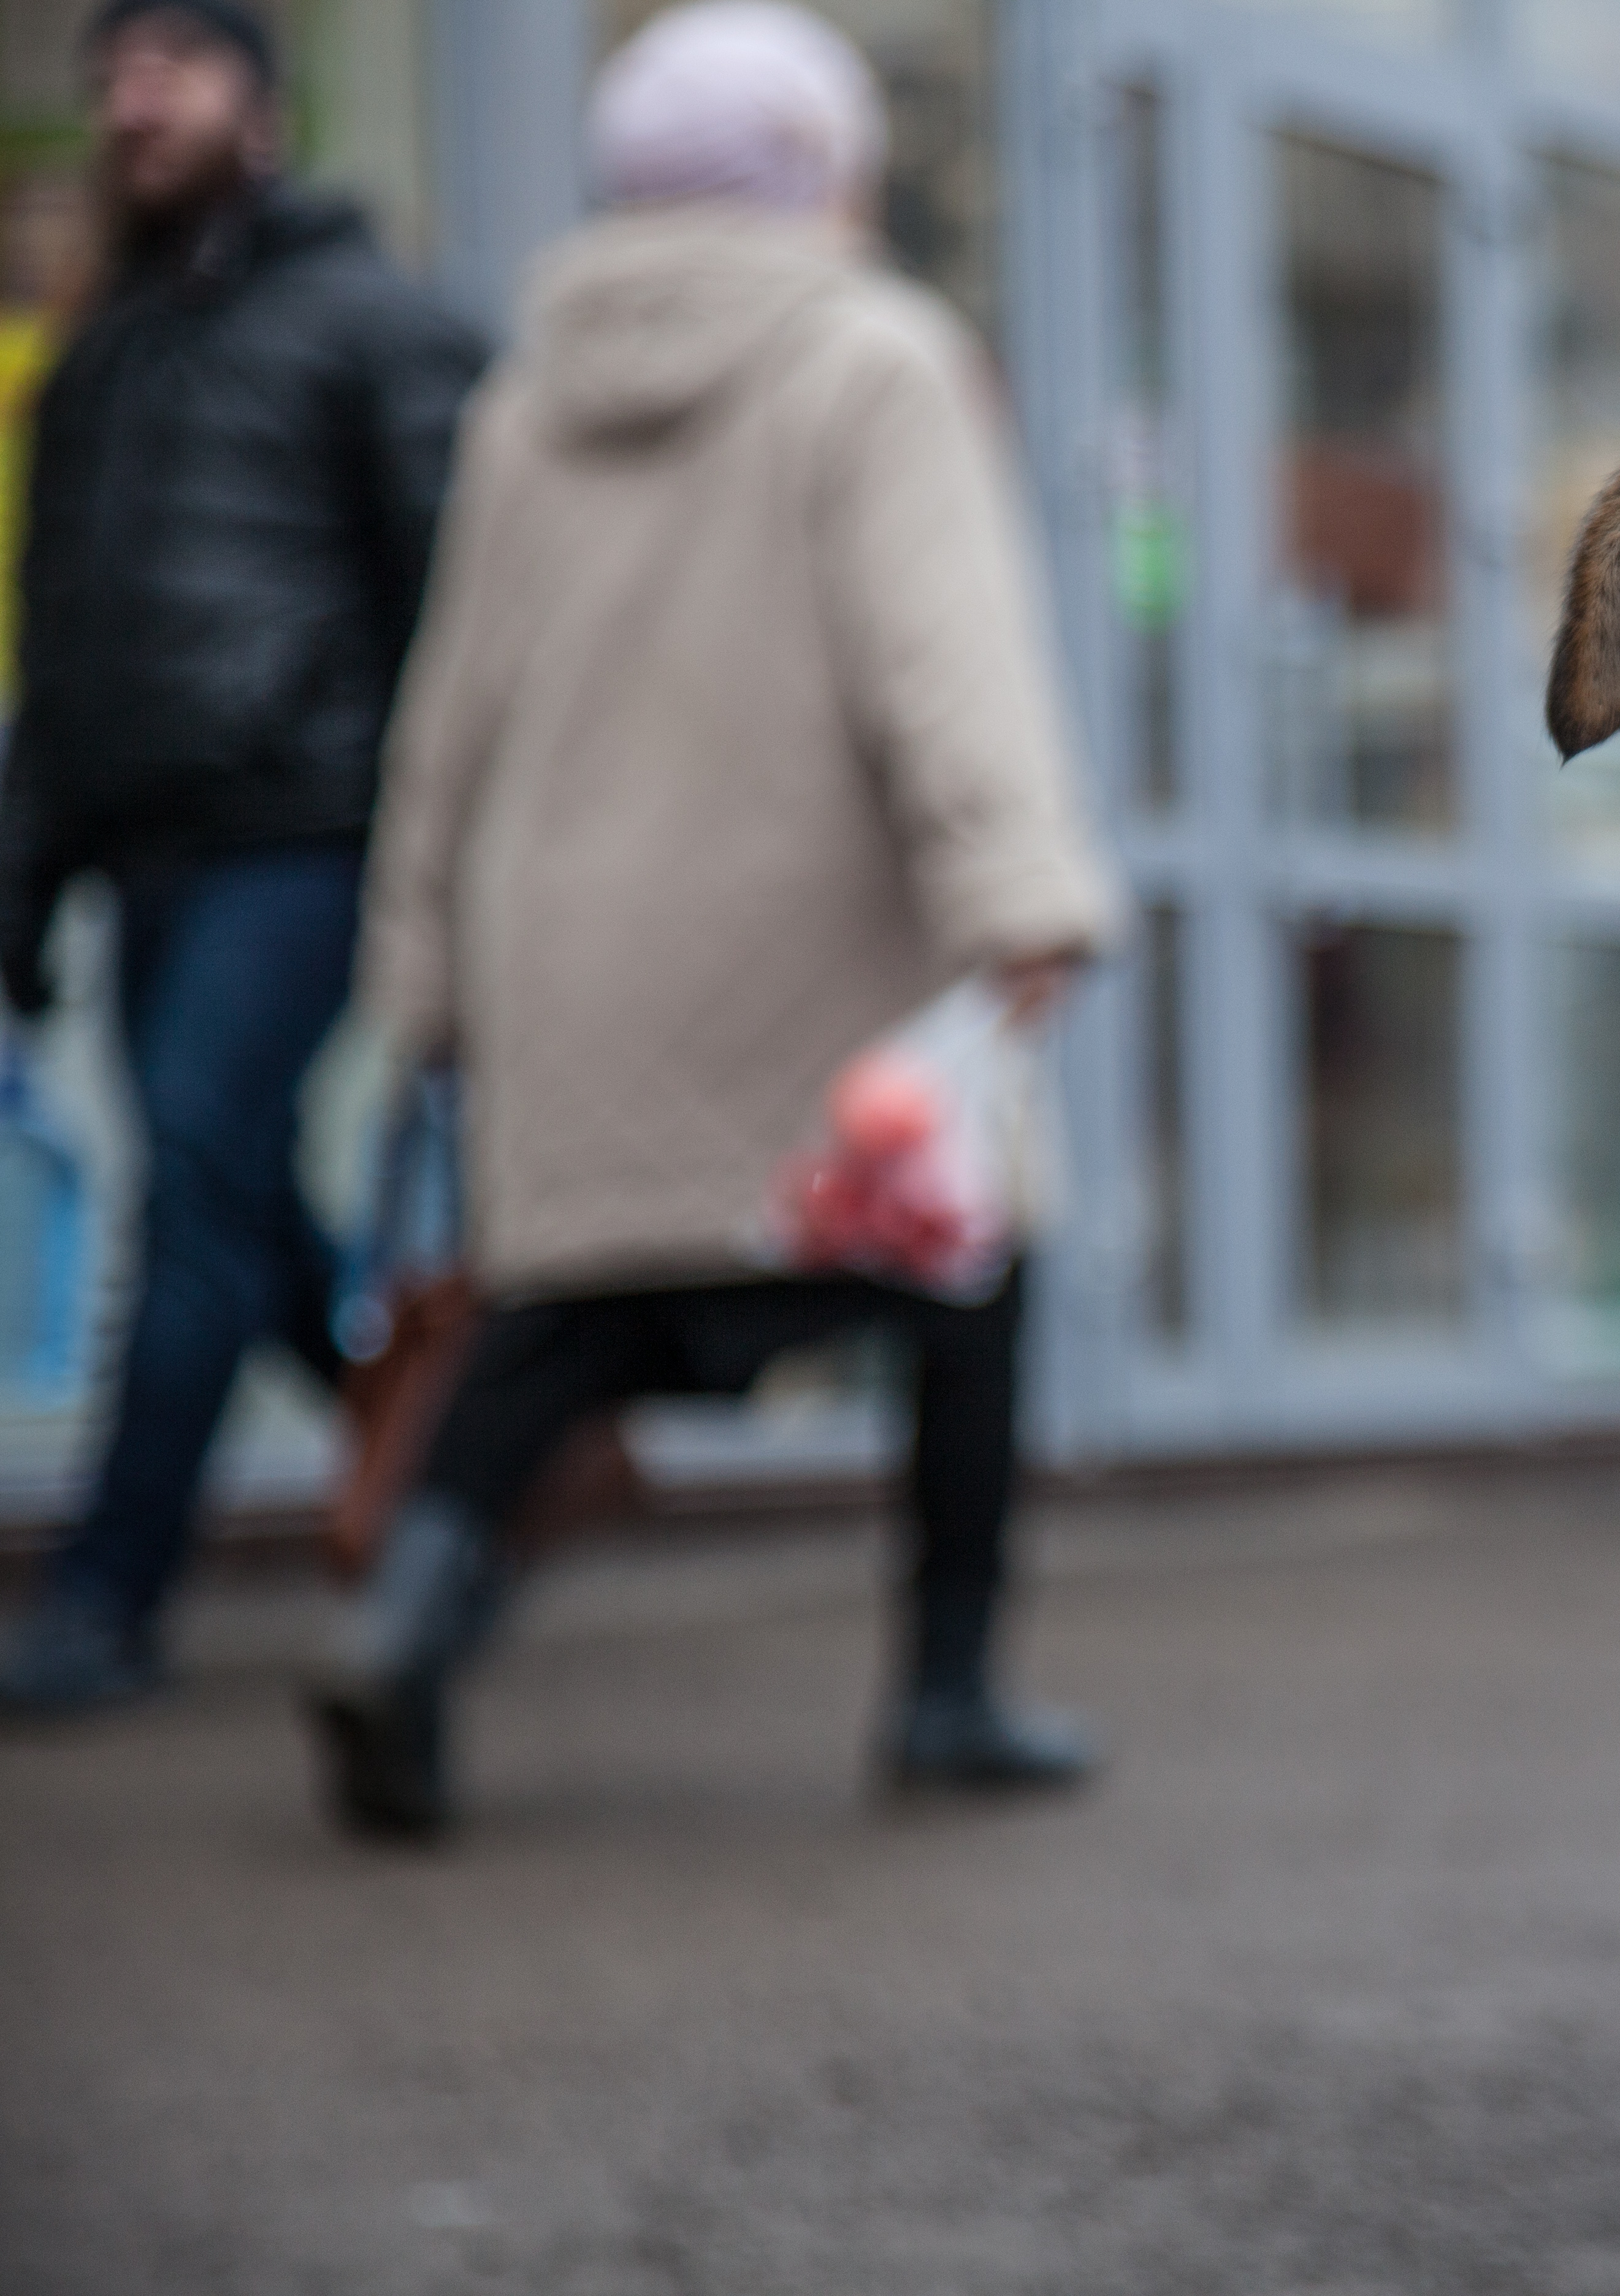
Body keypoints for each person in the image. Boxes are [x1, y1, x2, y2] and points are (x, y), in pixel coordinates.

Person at [307, 0, 1115, 1840]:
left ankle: (405, 1628)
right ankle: (946, 1692)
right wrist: (1023, 900)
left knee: (562, 1318)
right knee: (965, 1275)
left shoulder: (526, 400)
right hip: (812, 942)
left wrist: (420, 977)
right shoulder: (873, 358)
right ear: (821, 169)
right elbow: (948, 667)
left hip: (570, 948)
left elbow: (449, 719)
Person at [0, 0, 484, 1713]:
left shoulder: (369, 321)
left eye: (174, 67)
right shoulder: (103, 356)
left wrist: (454, 854)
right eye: (112, 73)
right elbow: (62, 645)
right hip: (144, 849)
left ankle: (106, 1601)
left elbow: (462, 608)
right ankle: (447, 1482)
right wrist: (30, 866)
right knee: (245, 1207)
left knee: (194, 1187)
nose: (135, 101)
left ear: (261, 108)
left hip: (307, 829)